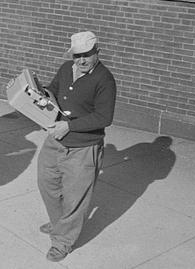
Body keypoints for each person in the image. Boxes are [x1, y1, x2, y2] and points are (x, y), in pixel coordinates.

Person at [36, 31, 116, 262]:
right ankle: (59, 224)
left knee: (75, 198)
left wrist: (69, 127)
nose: (81, 60)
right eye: (77, 56)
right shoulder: (65, 68)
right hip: (55, 140)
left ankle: (62, 242)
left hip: (83, 147)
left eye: (87, 55)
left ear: (97, 53)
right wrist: (43, 94)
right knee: (47, 184)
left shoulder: (104, 79)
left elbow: (104, 117)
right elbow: (53, 88)